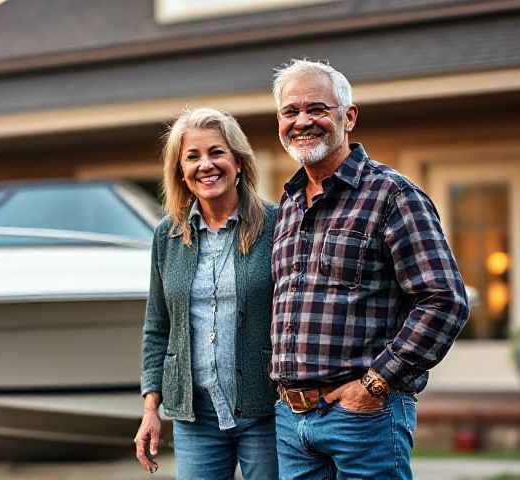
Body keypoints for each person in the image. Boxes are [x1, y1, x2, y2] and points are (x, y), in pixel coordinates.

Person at [269, 59, 469, 479]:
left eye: (316, 108)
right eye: (291, 112)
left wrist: (376, 384)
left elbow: (444, 300)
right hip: (292, 422)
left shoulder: (391, 195)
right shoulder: (287, 205)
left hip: (363, 418)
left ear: (349, 116)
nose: (302, 121)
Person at [136, 107, 278, 479]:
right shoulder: (167, 236)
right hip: (195, 417)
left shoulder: (277, 224)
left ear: (238, 162)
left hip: (265, 409)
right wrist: (151, 408)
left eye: (216, 152)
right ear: (181, 172)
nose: (206, 165)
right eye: (192, 157)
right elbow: (157, 327)